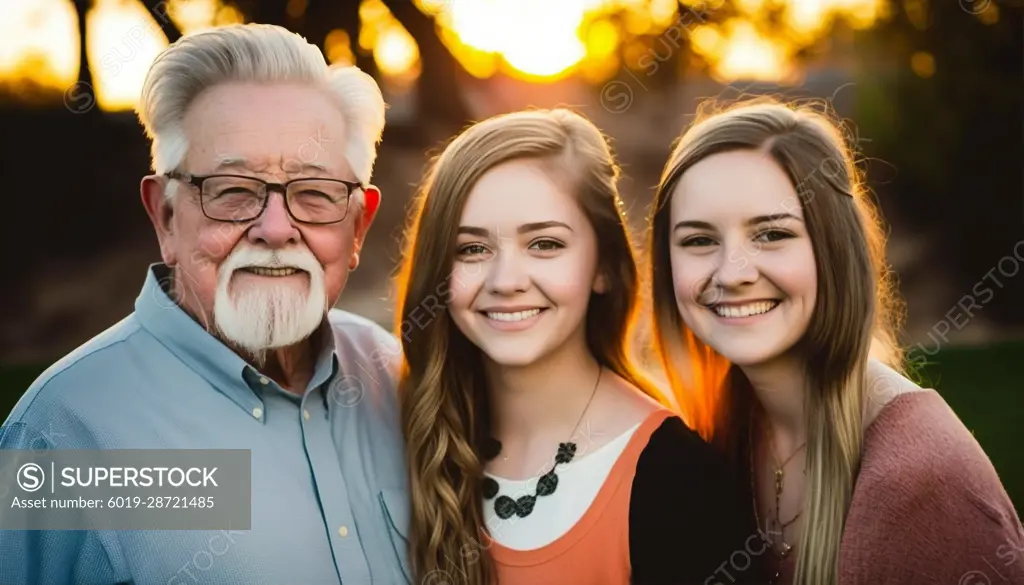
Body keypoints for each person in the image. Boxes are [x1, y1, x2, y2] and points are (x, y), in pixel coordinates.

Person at [0, 24, 411, 585]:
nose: (274, 229)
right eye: (232, 190)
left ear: (358, 226)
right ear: (165, 217)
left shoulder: (394, 379)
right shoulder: (66, 434)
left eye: (314, 192)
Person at [644, 98, 1024, 585]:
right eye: (698, 240)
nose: (732, 273)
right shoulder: (719, 434)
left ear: (833, 249)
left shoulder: (921, 486)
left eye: (772, 234)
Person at [393, 108, 767, 585]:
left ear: (603, 266)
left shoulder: (680, 483)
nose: (506, 281)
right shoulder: (408, 439)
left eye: (545, 244)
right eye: (472, 249)